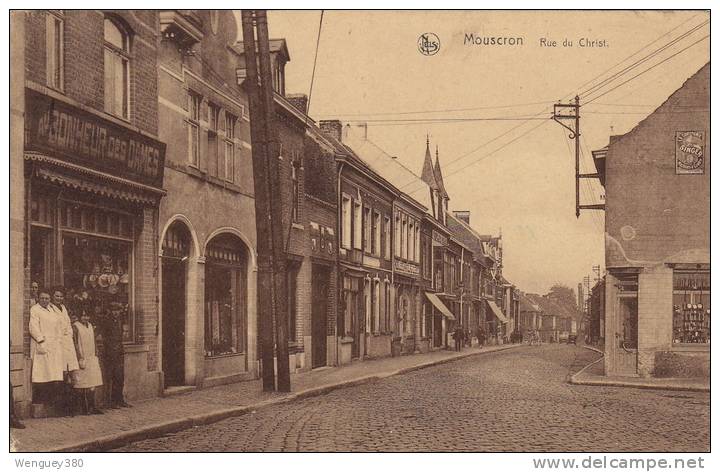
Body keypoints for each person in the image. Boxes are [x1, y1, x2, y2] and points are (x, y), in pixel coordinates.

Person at [29, 290, 66, 411]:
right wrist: (41, 340)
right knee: (42, 372)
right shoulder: (35, 309)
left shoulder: (52, 309)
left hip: (54, 345)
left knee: (53, 373)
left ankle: (51, 401)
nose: (45, 300)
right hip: (42, 344)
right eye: (43, 298)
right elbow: (33, 326)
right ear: (39, 298)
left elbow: (59, 325)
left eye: (47, 298)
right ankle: (40, 400)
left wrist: (59, 340)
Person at [50, 288, 80, 416]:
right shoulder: (50, 309)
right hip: (58, 345)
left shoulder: (64, 308)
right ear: (53, 297)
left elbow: (68, 326)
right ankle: (61, 408)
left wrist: (68, 334)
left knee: (70, 375)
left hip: (68, 344)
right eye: (57, 296)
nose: (59, 298)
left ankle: (70, 407)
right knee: (60, 376)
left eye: (61, 296)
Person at [72, 308, 104, 415]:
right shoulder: (76, 326)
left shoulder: (90, 326)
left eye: (87, 316)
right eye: (83, 316)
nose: (85, 318)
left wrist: (96, 353)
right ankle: (83, 408)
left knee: (92, 383)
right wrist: (79, 357)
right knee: (82, 383)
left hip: (91, 357)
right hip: (82, 357)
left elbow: (93, 341)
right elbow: (75, 343)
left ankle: (92, 406)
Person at [99, 302, 130, 408]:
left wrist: (120, 349)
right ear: (110, 311)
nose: (116, 313)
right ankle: (110, 402)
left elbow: (120, 337)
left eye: (117, 310)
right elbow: (104, 337)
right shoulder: (106, 321)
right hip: (109, 353)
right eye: (113, 311)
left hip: (119, 353)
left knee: (120, 377)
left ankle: (119, 400)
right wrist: (110, 349)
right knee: (110, 378)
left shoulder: (120, 321)